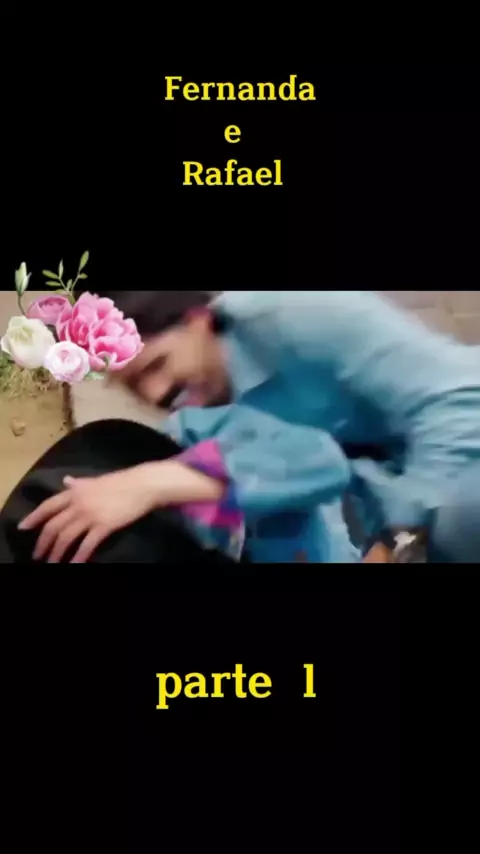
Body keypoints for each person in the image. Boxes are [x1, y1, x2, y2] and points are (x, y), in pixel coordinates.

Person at [7, 289, 480, 563]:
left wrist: (399, 542)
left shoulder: (297, 314)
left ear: (198, 320)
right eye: (133, 385)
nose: (155, 394)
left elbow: (460, 401)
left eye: (158, 365)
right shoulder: (209, 413)